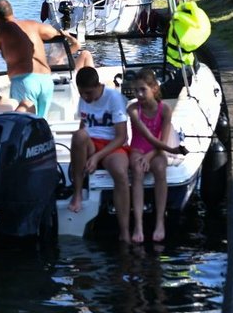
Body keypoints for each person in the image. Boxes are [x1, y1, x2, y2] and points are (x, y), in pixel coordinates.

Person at [68, 67, 132, 242]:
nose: (86, 98)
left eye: (88, 93)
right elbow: (84, 126)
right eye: (82, 94)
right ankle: (78, 193)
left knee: (120, 173)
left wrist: (96, 157)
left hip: (112, 144)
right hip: (91, 142)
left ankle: (124, 230)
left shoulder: (114, 98)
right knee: (78, 136)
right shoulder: (83, 99)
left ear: (98, 86)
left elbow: (121, 137)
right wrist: (82, 155)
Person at [127, 68, 188, 243]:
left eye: (142, 90)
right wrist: (145, 157)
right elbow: (147, 137)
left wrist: (150, 156)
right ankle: (138, 224)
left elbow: (163, 139)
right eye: (135, 90)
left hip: (159, 148)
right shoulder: (133, 110)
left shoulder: (165, 110)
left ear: (154, 88)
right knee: (137, 171)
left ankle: (160, 221)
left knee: (160, 168)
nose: (138, 94)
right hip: (139, 148)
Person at [0, 0, 67, 118]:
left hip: (25, 82)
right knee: (41, 121)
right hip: (46, 81)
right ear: (12, 12)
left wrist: (1, 46)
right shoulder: (33, 24)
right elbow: (54, 33)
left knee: (21, 123)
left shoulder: (2, 28)